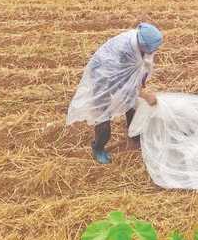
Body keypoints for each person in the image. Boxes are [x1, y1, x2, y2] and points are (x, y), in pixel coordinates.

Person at [66, 23, 163, 164]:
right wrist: (145, 95)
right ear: (142, 44)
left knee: (132, 106)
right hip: (103, 79)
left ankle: (134, 135)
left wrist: (140, 85)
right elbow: (122, 84)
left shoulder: (142, 44)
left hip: (120, 79)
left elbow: (139, 70)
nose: (154, 51)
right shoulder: (122, 52)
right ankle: (98, 148)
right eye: (151, 49)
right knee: (103, 119)